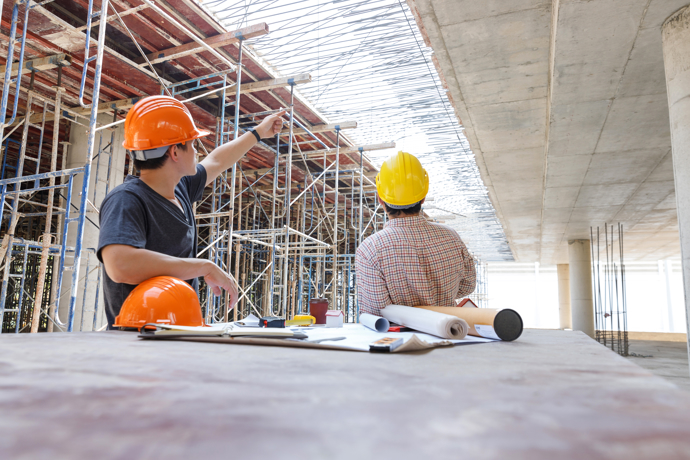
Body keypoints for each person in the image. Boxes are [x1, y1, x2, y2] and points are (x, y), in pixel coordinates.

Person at [97, 96, 284, 328]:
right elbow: (119, 265)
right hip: (139, 343)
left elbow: (217, 161)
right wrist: (204, 266)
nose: (197, 151)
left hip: (176, 334)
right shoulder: (127, 199)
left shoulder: (180, 188)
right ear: (175, 152)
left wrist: (257, 133)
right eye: (193, 144)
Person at [355, 151, 476, 316]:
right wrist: (436, 296)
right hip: (449, 333)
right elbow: (468, 286)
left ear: (380, 199)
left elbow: (375, 312)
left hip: (399, 340)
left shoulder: (370, 250)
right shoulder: (451, 237)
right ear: (423, 197)